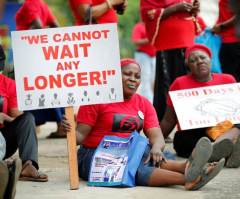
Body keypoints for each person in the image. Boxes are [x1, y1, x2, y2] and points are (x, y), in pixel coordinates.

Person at [61, 58, 224, 190]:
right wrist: (68, 130)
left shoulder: (144, 103)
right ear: (114, 76)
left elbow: (157, 136)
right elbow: (80, 137)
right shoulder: (96, 99)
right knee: (133, 167)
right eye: (127, 74)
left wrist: (156, 147)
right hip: (96, 154)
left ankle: (187, 168)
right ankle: (189, 177)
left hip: (132, 151)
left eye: (137, 76)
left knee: (147, 152)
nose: (133, 79)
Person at [161, 44, 240, 168]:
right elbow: (168, 120)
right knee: (181, 140)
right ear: (188, 66)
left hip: (225, 127)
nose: (199, 61)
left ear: (210, 59)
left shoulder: (227, 80)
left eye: (202, 58)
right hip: (196, 132)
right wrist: (155, 142)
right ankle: (225, 151)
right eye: (193, 60)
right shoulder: (179, 83)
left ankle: (218, 147)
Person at [140, 0, 200, 123]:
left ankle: (192, 121)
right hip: (167, 42)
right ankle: (162, 125)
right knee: (166, 86)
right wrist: (174, 8)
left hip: (187, 40)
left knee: (189, 83)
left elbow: (192, 15)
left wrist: (193, 8)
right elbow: (148, 14)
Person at [15, 0, 66, 138]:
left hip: (29, 50)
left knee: (37, 88)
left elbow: (37, 27)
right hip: (39, 51)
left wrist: (31, 33)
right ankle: (53, 124)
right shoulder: (42, 4)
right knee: (45, 86)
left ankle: (59, 124)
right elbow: (56, 26)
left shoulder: (31, 2)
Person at [211, 0, 240, 82]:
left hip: (234, 42)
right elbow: (225, 15)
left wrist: (222, 26)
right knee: (230, 79)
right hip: (227, 41)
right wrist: (217, 26)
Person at [131, 19, 156, 103]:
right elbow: (135, 41)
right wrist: (149, 39)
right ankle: (148, 102)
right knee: (145, 79)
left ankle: (154, 101)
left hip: (154, 55)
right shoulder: (139, 27)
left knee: (154, 80)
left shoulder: (155, 25)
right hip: (143, 55)